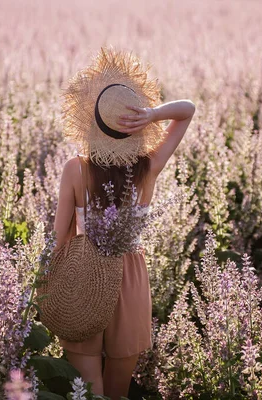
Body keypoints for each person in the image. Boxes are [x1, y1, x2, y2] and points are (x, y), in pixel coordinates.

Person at [51, 46, 195, 399]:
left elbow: (58, 239)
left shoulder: (76, 169)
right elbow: (187, 110)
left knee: (87, 389)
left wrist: (48, 284)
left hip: (84, 273)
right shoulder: (148, 168)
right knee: (118, 389)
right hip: (130, 276)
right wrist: (151, 115)